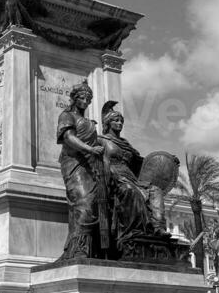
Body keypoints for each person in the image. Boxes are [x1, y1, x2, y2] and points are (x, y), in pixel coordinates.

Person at [99, 102, 169, 250]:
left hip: (130, 177)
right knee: (130, 190)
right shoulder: (101, 140)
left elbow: (142, 164)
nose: (119, 123)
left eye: (121, 121)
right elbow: (95, 160)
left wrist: (166, 162)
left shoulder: (126, 144)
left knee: (155, 190)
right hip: (113, 177)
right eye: (116, 120)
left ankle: (158, 228)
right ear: (107, 123)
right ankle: (133, 232)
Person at [57, 82, 108, 260]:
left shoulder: (88, 122)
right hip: (73, 163)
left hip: (90, 165)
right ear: (74, 98)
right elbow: (68, 137)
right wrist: (89, 149)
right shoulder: (66, 116)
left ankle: (85, 248)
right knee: (84, 201)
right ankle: (78, 249)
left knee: (93, 202)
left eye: (88, 98)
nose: (85, 101)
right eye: (82, 97)